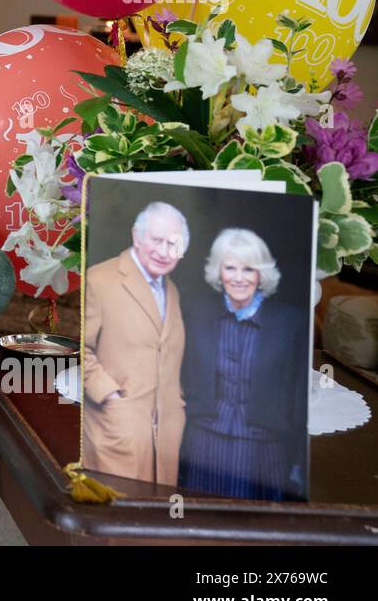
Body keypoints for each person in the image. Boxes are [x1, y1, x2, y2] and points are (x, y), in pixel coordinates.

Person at [178, 228, 308, 501]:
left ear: (261, 274)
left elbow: (300, 395)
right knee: (199, 524)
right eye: (230, 268)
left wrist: (298, 458)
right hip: (203, 442)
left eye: (248, 269)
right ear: (218, 271)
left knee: (254, 527)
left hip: (264, 450)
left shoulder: (292, 322)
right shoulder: (194, 312)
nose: (238, 278)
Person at [81, 201, 188, 485]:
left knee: (155, 520)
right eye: (157, 240)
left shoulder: (172, 290)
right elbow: (79, 346)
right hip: (114, 425)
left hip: (164, 434)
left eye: (174, 243)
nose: (165, 252)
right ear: (136, 236)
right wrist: (110, 396)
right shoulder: (99, 279)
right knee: (115, 516)